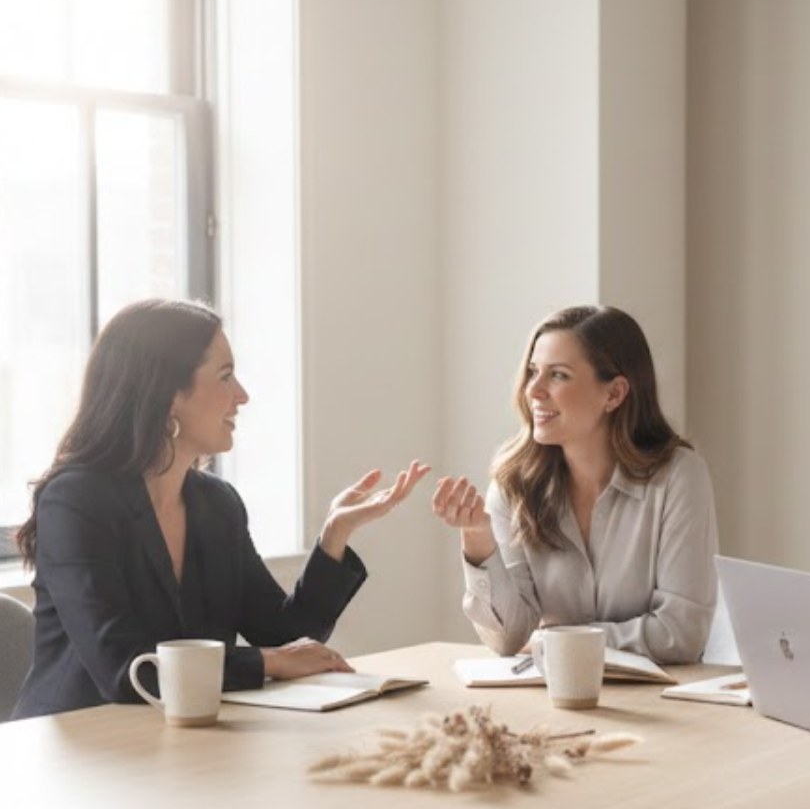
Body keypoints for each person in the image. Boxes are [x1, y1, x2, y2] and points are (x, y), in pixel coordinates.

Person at [13, 298, 430, 720]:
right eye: (226, 376)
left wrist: (334, 537)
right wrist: (267, 662)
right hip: (77, 741)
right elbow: (123, 669)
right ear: (169, 393)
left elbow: (286, 637)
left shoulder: (216, 503)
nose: (243, 396)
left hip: (179, 739)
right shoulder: (76, 501)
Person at [431, 304, 718, 664]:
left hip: (660, 706)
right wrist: (477, 539)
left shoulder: (678, 476)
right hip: (553, 701)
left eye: (559, 375)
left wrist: (553, 641)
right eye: (533, 372)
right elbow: (507, 639)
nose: (533, 390)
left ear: (613, 394)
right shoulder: (513, 484)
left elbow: (681, 634)